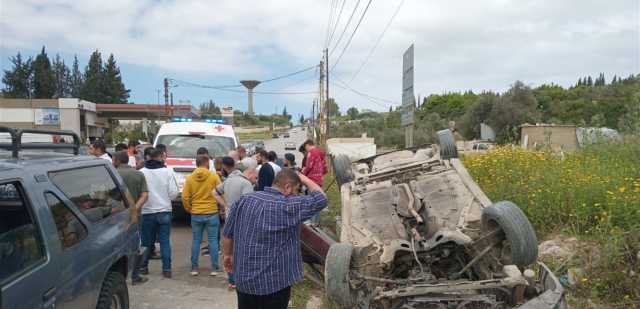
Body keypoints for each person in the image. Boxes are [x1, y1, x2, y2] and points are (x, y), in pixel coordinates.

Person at [222, 169, 327, 309]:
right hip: (275, 284)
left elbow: (228, 233)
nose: (296, 195)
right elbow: (321, 199)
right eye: (296, 191)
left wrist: (227, 255)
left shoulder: (244, 200)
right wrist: (304, 178)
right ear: (288, 187)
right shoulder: (287, 205)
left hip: (244, 281)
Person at [213, 157, 258, 289]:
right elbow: (249, 204)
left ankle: (232, 281)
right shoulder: (246, 184)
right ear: (249, 172)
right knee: (241, 250)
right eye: (255, 176)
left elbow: (214, 193)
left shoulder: (228, 181)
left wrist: (225, 205)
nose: (255, 179)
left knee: (229, 250)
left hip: (229, 219)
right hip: (242, 222)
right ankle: (242, 279)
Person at [140, 148, 178, 278]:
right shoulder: (167, 171)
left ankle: (143, 267)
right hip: (164, 211)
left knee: (145, 242)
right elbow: (173, 193)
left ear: (148, 157)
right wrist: (166, 199)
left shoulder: (141, 172)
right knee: (164, 242)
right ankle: (167, 269)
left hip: (147, 211)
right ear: (160, 157)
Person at [181, 155, 223, 276]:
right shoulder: (214, 176)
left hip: (196, 213)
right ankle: (215, 268)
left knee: (196, 241)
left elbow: (184, 197)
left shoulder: (189, 178)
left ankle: (194, 268)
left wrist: (189, 208)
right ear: (206, 163)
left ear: (197, 164)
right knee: (213, 241)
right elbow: (221, 192)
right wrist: (222, 207)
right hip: (211, 212)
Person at [113, 151, 149, 285]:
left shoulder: (112, 174)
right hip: (135, 216)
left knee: (115, 246)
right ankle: (135, 276)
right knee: (135, 244)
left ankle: (117, 277)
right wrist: (134, 208)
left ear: (116, 160)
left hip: (115, 217)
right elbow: (145, 195)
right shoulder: (138, 174)